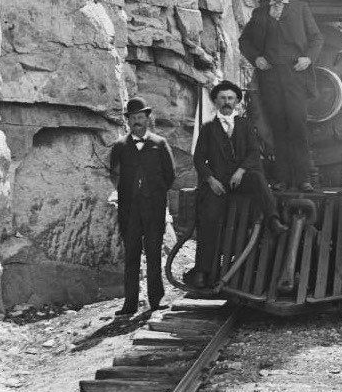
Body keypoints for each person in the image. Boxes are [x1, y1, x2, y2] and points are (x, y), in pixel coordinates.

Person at [238, 0, 324, 191]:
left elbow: (317, 39)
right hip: (270, 78)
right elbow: (244, 41)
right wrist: (256, 58)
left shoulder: (301, 8)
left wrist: (308, 59)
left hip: (296, 77)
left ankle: (303, 178)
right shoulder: (260, 11)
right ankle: (282, 179)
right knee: (278, 128)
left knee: (297, 126)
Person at [188, 80, 281, 289]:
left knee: (258, 179)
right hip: (217, 183)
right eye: (222, 98)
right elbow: (198, 159)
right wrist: (210, 180)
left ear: (237, 101)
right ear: (215, 101)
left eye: (230, 98)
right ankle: (202, 270)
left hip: (240, 179)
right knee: (209, 217)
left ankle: (273, 220)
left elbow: (254, 152)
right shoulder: (208, 128)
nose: (226, 102)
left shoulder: (245, 125)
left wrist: (241, 170)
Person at [109, 97, 175, 316]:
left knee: (154, 254)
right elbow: (114, 175)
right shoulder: (120, 146)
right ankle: (130, 303)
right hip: (129, 211)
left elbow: (170, 176)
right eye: (133, 118)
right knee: (131, 256)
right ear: (128, 121)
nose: (137, 121)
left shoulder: (160, 143)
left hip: (154, 210)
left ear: (147, 119)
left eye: (140, 117)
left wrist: (154, 194)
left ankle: (156, 300)